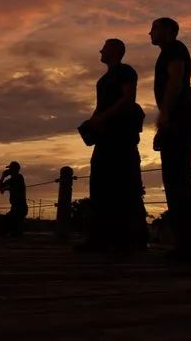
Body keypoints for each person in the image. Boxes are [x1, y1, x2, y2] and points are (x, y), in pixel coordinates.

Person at [150, 17, 191, 260]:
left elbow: (176, 80)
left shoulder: (175, 48)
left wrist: (164, 115)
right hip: (177, 117)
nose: (150, 33)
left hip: (180, 116)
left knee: (177, 179)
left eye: (154, 28)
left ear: (168, 30)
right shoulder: (168, 51)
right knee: (175, 179)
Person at [78, 39, 146, 252]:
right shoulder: (104, 78)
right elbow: (100, 106)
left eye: (105, 47)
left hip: (121, 135)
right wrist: (93, 123)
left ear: (116, 50)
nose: (101, 50)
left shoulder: (125, 71)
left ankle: (130, 239)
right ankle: (100, 237)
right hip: (105, 136)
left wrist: (104, 117)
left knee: (125, 185)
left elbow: (128, 98)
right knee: (100, 184)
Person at [0, 161, 27, 236]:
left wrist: (6, 188)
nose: (8, 171)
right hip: (15, 208)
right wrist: (3, 176)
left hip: (20, 208)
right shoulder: (10, 180)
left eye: (10, 169)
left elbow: (14, 186)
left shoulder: (19, 177)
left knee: (5, 227)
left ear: (13, 170)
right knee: (7, 228)